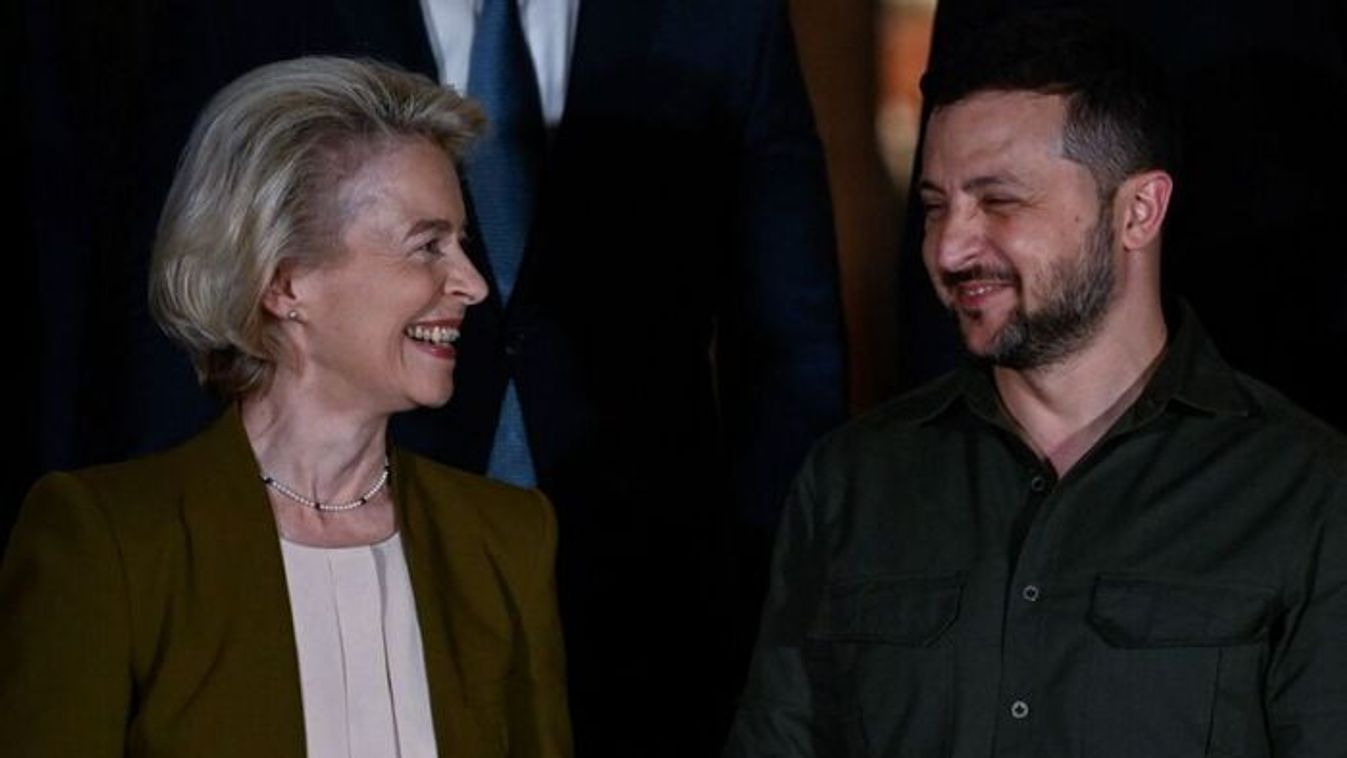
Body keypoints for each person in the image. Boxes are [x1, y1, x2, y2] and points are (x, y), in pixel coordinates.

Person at [725, 10, 1347, 757]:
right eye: (934, 206)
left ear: (1138, 211)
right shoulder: (852, 483)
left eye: (999, 201)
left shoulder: (1304, 493)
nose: (949, 249)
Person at [1, 57, 571, 757]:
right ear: (285, 282)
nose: (473, 284)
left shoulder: (505, 539)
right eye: (428, 245)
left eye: (462, 243)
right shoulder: (112, 543)